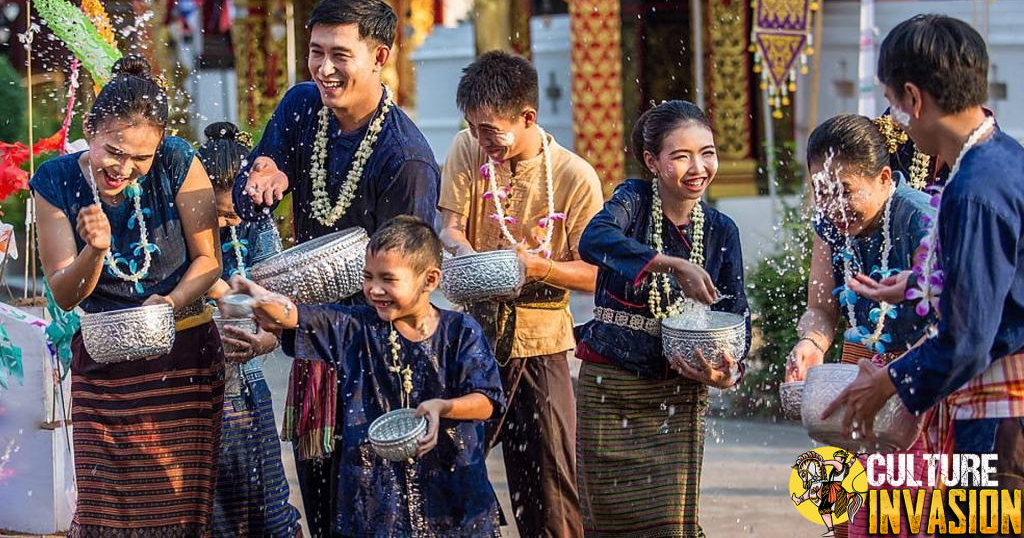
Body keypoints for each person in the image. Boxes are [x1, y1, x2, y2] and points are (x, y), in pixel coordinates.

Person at [232, 0, 440, 536]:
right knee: (323, 512)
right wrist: (263, 175)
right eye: (315, 51)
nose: (323, 68)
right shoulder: (303, 107)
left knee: (380, 515)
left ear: (380, 56)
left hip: (379, 364)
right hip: (314, 364)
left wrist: (289, 328)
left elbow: (402, 295)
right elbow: (248, 183)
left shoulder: (407, 159)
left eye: (340, 54)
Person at [827, 14, 1024, 507]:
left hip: (1002, 416)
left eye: (893, 104)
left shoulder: (976, 188)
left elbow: (968, 340)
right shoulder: (999, 160)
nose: (896, 119)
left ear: (913, 98)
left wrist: (887, 382)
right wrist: (918, 283)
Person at [31, 55, 222, 536]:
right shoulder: (56, 181)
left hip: (183, 356)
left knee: (179, 509)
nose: (125, 169)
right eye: (114, 151)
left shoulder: (179, 160)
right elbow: (63, 292)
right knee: (105, 511)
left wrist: (171, 303)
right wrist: (95, 252)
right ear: (91, 130)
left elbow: (209, 261)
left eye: (141, 158)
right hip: (104, 367)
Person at [224, 216, 505, 537]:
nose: (374, 289)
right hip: (373, 498)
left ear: (430, 280)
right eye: (368, 277)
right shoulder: (354, 326)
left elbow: (487, 401)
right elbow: (294, 316)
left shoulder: (460, 332)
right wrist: (262, 300)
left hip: (452, 494)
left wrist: (443, 407)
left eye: (388, 279)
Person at [438, 50, 603, 537]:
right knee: (447, 467)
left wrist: (541, 267)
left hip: (541, 342)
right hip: (471, 338)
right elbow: (448, 226)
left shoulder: (575, 176)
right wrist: (468, 253)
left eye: (490, 130)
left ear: (527, 117)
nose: (480, 139)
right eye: (472, 126)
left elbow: (597, 274)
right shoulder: (467, 150)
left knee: (550, 490)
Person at [574, 100, 749, 537]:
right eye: (682, 155)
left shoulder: (721, 229)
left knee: (670, 525)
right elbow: (593, 241)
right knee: (607, 523)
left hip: (677, 391)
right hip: (609, 385)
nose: (698, 167)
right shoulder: (632, 200)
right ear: (652, 161)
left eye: (707, 152)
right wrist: (671, 264)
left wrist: (730, 372)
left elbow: (735, 315)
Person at [784, 114, 936, 538]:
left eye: (845, 190)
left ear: (885, 177)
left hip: (923, 386)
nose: (832, 204)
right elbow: (822, 308)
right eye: (822, 192)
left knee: (912, 516)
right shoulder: (830, 225)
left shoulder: (921, 222)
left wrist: (896, 377)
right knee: (858, 523)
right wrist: (810, 344)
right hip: (862, 384)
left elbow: (952, 323)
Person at [197, 122, 302, 537]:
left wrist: (266, 338)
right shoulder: (183, 227)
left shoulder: (256, 224)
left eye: (236, 208)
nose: (231, 218)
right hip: (196, 384)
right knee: (212, 509)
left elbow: (280, 301)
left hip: (248, 381)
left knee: (265, 502)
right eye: (221, 211)